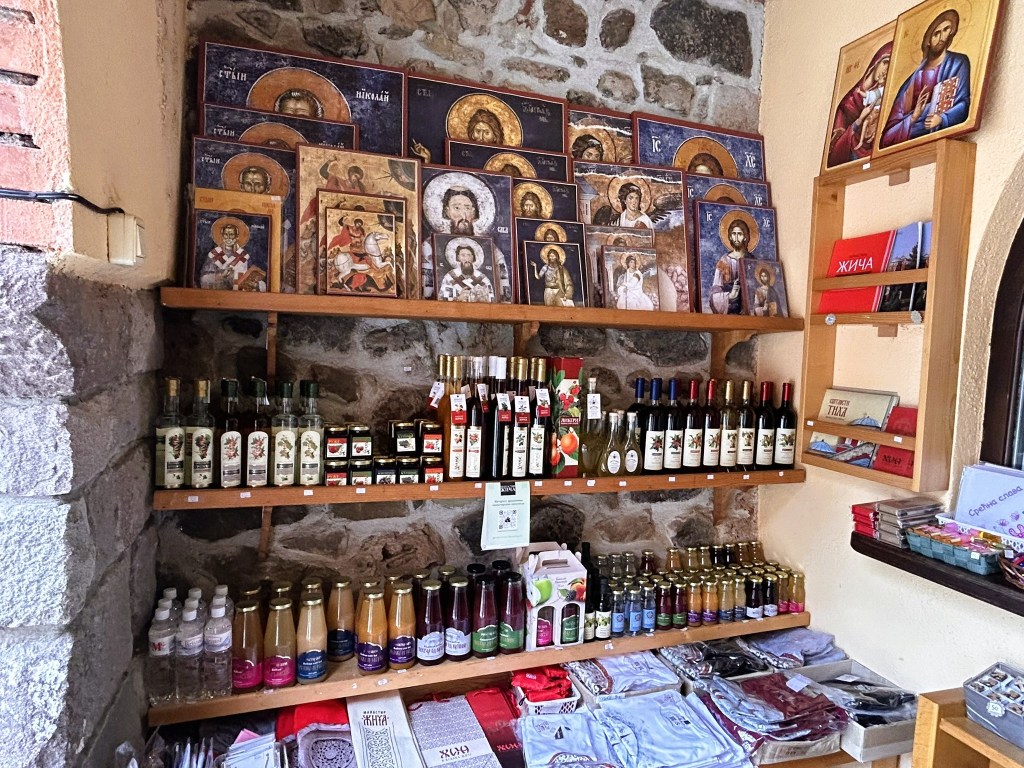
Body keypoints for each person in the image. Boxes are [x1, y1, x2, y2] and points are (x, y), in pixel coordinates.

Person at [880, 9, 971, 149]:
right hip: (912, 136)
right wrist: (913, 117)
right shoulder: (911, 82)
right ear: (928, 41)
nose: (942, 37)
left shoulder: (958, 63)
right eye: (936, 34)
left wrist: (943, 118)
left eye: (946, 29)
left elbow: (963, 103)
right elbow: (887, 138)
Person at [827, 43, 892, 167]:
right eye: (885, 63)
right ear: (876, 62)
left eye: (890, 67)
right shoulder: (851, 98)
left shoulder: (883, 95)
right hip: (850, 145)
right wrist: (859, 121)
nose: (885, 71)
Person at [200, 223, 265, 291]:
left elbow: (250, 276)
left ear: (236, 237)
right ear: (222, 236)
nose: (228, 238)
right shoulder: (214, 254)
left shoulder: (243, 255)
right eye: (226, 234)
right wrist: (222, 275)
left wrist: (255, 283)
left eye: (231, 235)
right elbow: (204, 279)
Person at [710, 219, 751, 314]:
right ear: (730, 237)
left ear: (745, 237)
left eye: (739, 234)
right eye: (734, 234)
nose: (736, 238)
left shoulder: (751, 260)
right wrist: (730, 295)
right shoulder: (724, 260)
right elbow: (715, 294)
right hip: (729, 307)